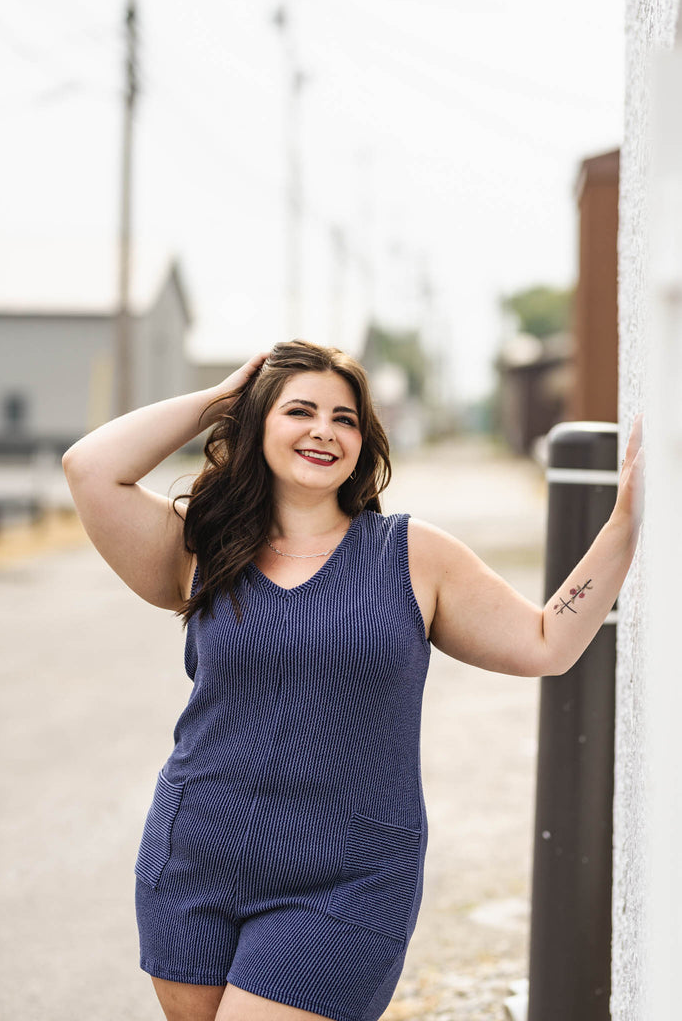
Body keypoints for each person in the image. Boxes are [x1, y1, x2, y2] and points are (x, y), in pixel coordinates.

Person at [62, 340, 644, 1021]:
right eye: (300, 411)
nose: (323, 430)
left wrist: (625, 525)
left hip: (347, 882)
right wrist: (221, 399)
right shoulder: (201, 545)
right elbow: (90, 468)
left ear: (364, 441)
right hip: (195, 862)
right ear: (256, 424)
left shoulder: (413, 555)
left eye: (344, 418)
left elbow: (547, 641)